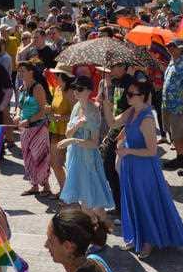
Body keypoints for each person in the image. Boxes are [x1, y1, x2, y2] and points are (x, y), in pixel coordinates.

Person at [102, 79, 183, 259]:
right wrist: (105, 103)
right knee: (132, 201)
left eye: (131, 94)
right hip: (130, 166)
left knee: (144, 202)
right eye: (128, 93)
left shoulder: (147, 118)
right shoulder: (131, 111)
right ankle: (137, 236)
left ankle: (148, 242)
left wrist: (127, 150)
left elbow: (151, 151)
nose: (128, 96)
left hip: (143, 168)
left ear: (142, 96)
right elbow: (112, 123)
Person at [58, 76, 115, 232]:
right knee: (85, 204)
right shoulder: (76, 107)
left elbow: (94, 143)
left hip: (88, 161)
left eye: (79, 89)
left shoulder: (93, 111)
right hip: (76, 159)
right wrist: (76, 125)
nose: (75, 91)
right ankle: (97, 235)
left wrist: (74, 140)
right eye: (74, 88)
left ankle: (104, 230)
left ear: (89, 91)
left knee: (94, 206)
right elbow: (68, 134)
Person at [99, 61, 135, 220]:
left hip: (126, 131)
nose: (110, 68)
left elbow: (134, 110)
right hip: (114, 129)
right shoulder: (113, 82)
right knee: (109, 168)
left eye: (113, 66)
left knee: (119, 170)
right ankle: (119, 205)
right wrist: (104, 95)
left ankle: (125, 208)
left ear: (123, 67)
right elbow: (113, 108)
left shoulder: (131, 84)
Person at [16, 61, 53, 196]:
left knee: (40, 156)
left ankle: (46, 186)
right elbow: (19, 107)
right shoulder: (22, 87)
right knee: (28, 157)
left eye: (23, 70)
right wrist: (17, 116)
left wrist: (29, 120)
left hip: (38, 127)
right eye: (19, 71)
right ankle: (34, 185)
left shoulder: (38, 88)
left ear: (31, 72)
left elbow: (43, 111)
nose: (20, 73)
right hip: (25, 129)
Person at [162, 39, 183, 175]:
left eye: (173, 46)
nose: (170, 48)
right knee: (174, 134)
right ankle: (180, 157)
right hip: (167, 104)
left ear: (181, 48)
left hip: (178, 106)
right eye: (168, 46)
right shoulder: (172, 61)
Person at [47, 64, 75, 194]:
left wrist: (62, 117)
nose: (54, 76)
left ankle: (66, 191)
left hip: (66, 132)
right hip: (54, 130)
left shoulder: (70, 92)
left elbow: (75, 114)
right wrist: (50, 110)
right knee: (54, 163)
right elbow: (55, 107)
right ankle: (64, 189)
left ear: (62, 76)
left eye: (57, 74)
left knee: (60, 163)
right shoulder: (57, 88)